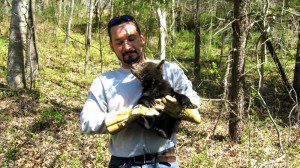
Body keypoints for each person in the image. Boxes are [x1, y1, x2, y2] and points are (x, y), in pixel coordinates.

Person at [80, 15, 201, 168]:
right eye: (119, 42)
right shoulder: (103, 82)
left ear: (141, 38)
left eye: (131, 38)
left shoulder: (169, 69)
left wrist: (181, 108)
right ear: (111, 46)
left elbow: (194, 101)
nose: (127, 47)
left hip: (165, 161)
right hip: (125, 163)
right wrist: (127, 117)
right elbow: (87, 122)